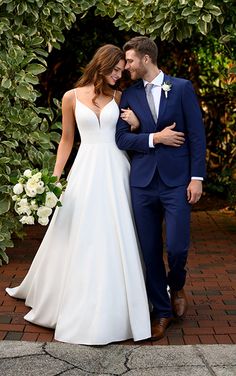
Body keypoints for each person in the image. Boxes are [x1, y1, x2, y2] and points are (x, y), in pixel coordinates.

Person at [6, 44, 151, 345]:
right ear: (102, 63)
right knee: (77, 230)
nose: (118, 74)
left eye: (122, 71)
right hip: (85, 169)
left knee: (118, 231)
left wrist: (136, 125)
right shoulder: (71, 97)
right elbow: (67, 141)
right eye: (115, 69)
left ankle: (123, 300)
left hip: (116, 170)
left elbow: (129, 135)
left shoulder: (121, 98)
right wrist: (55, 178)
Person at [116, 36, 206, 340]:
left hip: (177, 181)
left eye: (129, 60)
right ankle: (162, 311)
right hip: (142, 183)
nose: (125, 66)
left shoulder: (181, 88)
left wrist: (197, 178)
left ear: (145, 58)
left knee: (177, 246)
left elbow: (196, 135)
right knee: (150, 250)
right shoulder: (127, 96)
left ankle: (176, 284)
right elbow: (121, 140)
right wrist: (154, 137)